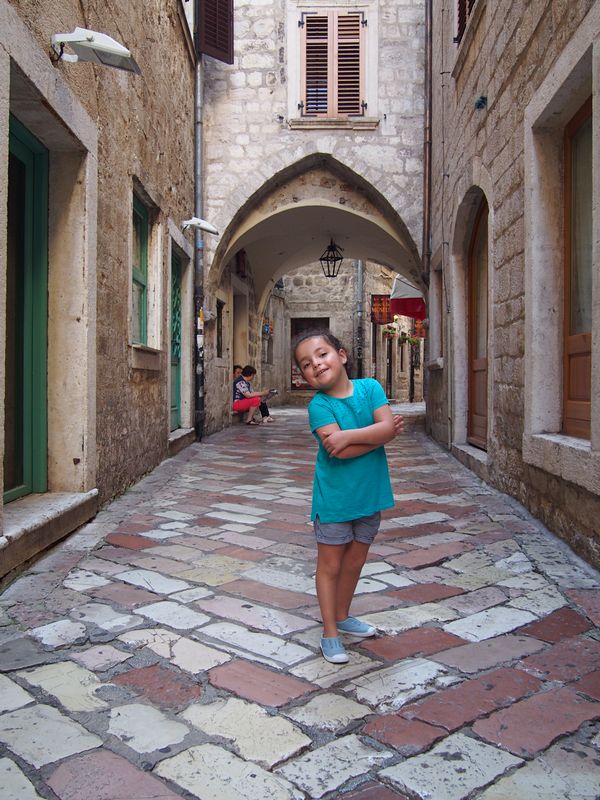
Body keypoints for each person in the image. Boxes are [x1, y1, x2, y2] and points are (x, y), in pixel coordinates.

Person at [293, 329, 403, 664]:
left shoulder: (371, 388)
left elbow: (371, 436)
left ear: (341, 355)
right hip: (335, 500)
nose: (316, 364)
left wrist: (349, 437)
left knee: (355, 561)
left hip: (371, 495)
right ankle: (329, 632)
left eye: (322, 354)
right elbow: (338, 452)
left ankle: (343, 615)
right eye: (306, 364)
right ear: (305, 377)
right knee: (330, 564)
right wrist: (380, 434)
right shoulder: (319, 406)